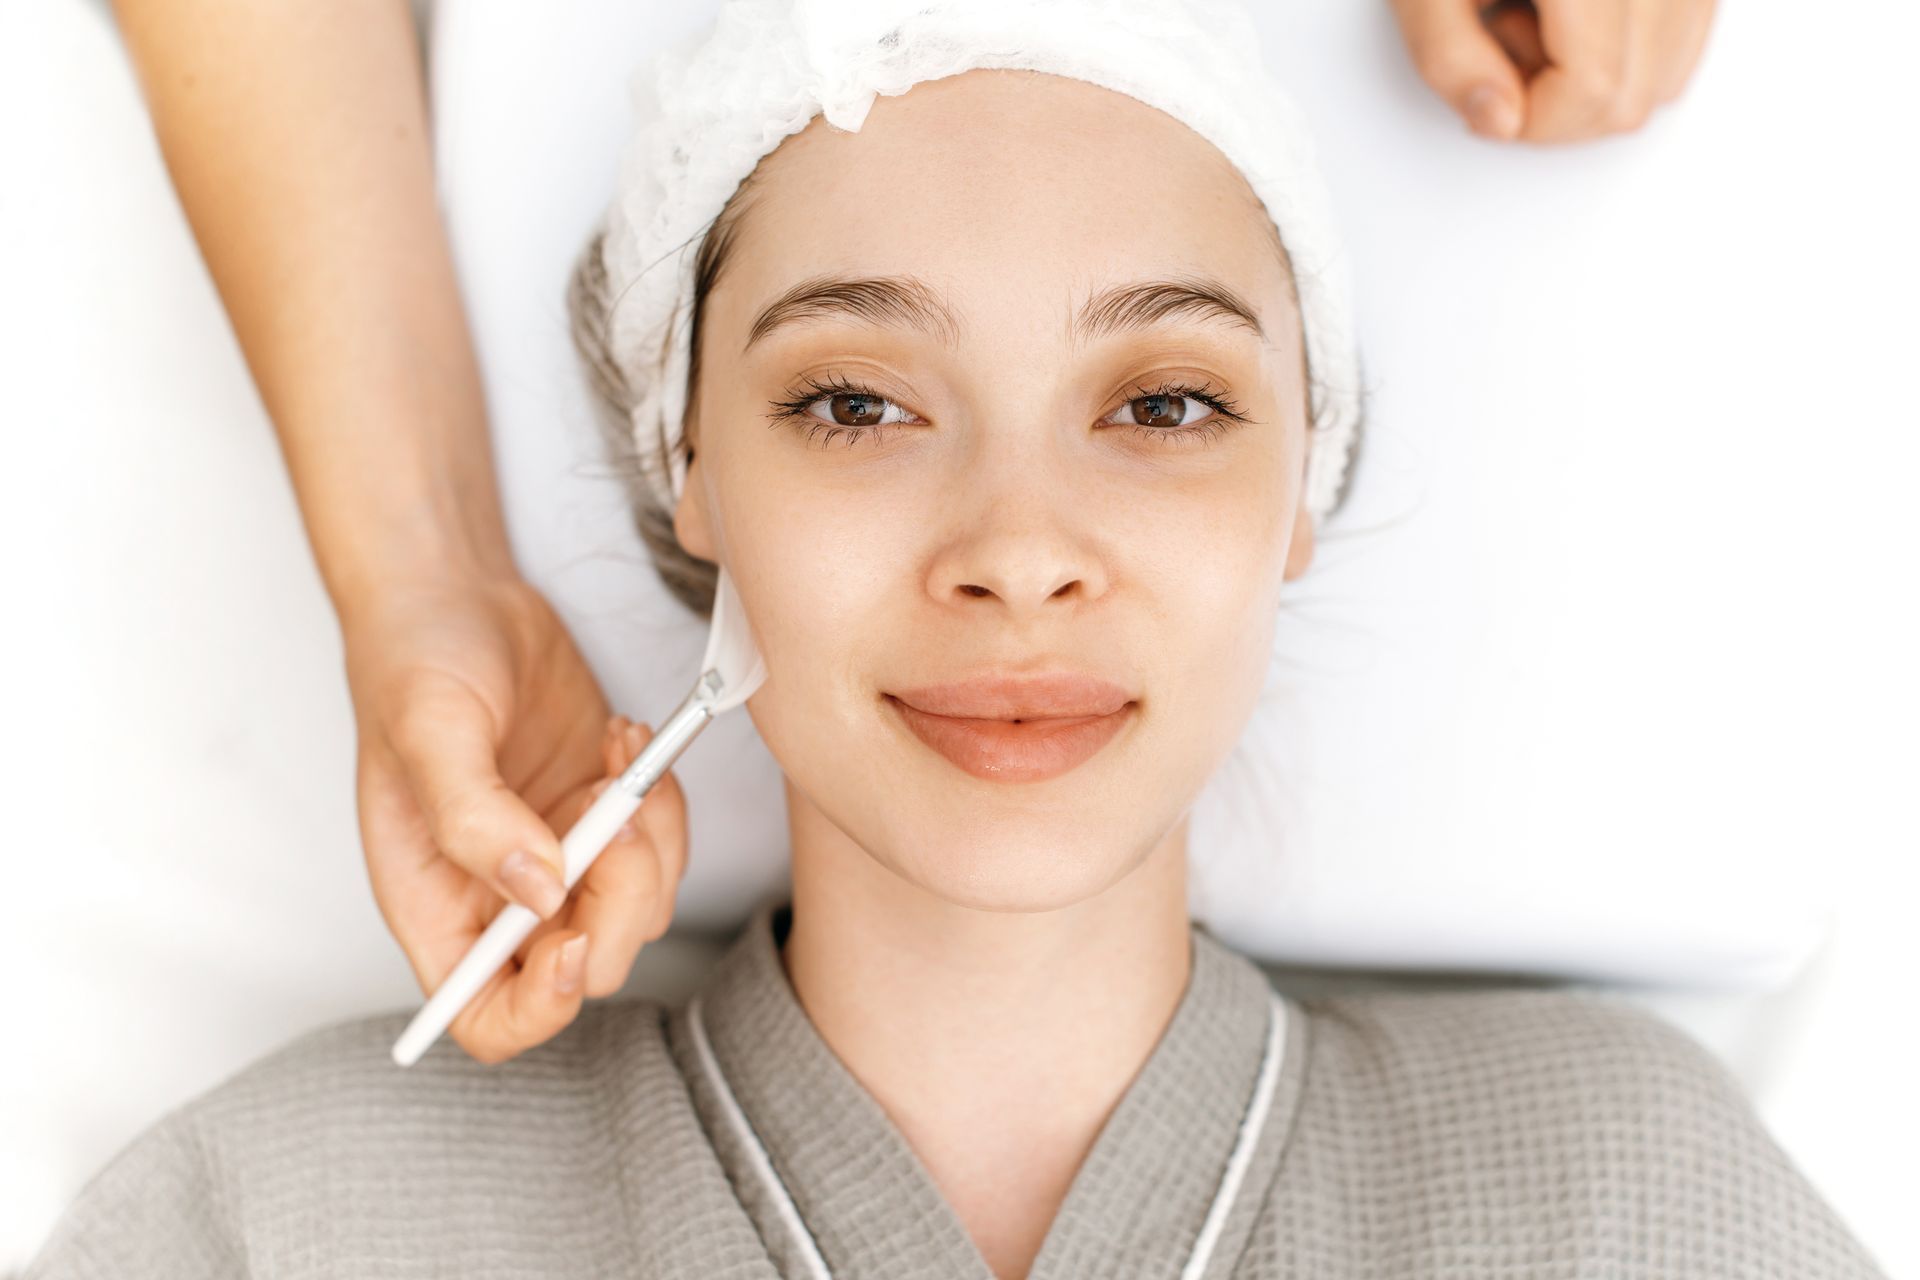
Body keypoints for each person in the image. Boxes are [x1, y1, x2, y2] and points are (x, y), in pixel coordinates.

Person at [26, 8, 1882, 1272]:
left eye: (1165, 404)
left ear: (1299, 491)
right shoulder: (301, 1223)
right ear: (693, 473)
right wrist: (421, 565)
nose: (1019, 553)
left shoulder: (1631, 1203)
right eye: (853, 403)